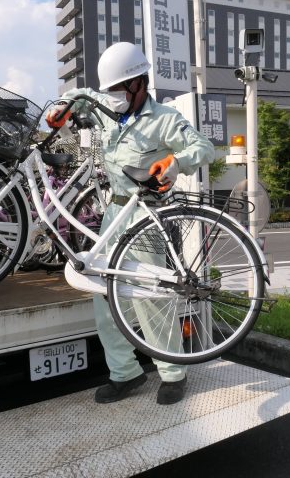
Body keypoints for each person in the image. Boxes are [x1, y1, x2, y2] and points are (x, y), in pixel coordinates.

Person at [45, 41, 215, 405]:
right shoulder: (109, 103)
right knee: (104, 296)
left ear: (140, 83)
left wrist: (173, 163)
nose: (114, 96)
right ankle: (125, 373)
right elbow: (80, 93)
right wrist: (63, 107)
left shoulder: (165, 119)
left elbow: (203, 147)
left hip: (147, 217)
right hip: (113, 214)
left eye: (120, 89)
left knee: (148, 299)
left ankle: (172, 373)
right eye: (111, 90)